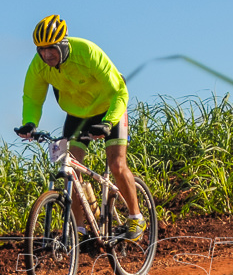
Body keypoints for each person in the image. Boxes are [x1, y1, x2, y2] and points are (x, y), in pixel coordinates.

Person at [16, 14, 146, 242]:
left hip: (109, 108)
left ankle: (136, 217)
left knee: (116, 164)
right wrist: (30, 123)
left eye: (52, 49)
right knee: (71, 170)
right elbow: (33, 98)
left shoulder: (88, 53)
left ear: (63, 44)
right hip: (77, 115)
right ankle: (78, 230)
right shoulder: (39, 66)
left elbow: (119, 93)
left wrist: (107, 122)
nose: (47, 55)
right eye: (42, 50)